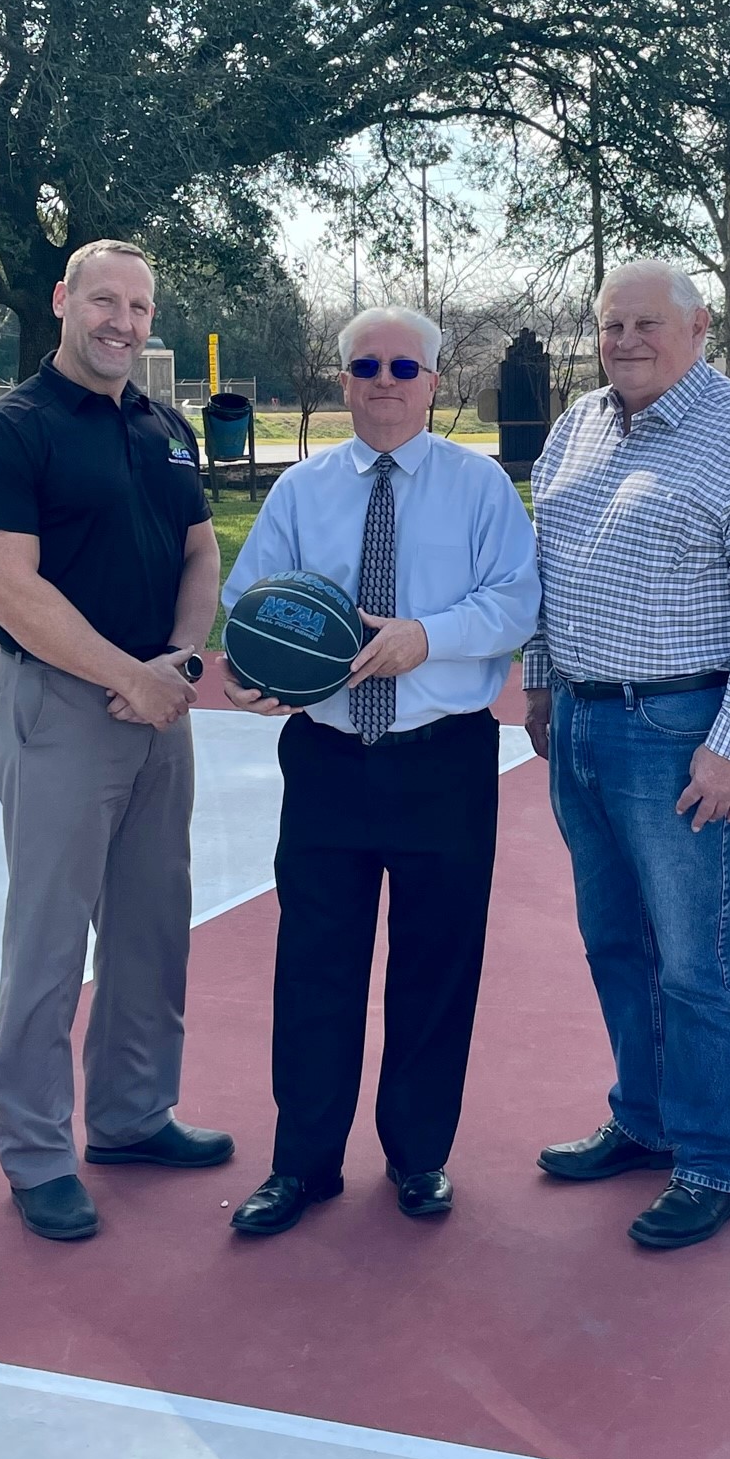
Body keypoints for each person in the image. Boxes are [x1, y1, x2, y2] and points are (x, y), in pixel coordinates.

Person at [223, 306, 540, 1237]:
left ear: (436, 382)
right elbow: (251, 603)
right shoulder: (301, 491)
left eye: (407, 365)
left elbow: (516, 603)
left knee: (437, 966)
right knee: (315, 966)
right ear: (345, 379)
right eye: (367, 364)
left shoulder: (480, 487)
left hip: (441, 760)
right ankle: (303, 1165)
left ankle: (417, 1157)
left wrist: (424, 639)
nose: (387, 380)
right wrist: (251, 671)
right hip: (325, 761)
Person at [0, 240, 231, 1243]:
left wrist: (184, 659)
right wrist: (129, 677)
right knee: (51, 938)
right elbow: (9, 588)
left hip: (161, 699)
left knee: (153, 924)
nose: (124, 322)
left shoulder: (166, 427)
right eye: (104, 300)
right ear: (64, 301)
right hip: (64, 705)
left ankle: (132, 1115)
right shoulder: (5, 434)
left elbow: (201, 547)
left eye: (141, 306)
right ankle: (36, 1154)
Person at [524, 261, 730, 1250]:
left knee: (697, 961)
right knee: (615, 943)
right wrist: (538, 681)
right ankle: (644, 1122)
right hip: (580, 725)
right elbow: (543, 565)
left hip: (677, 734)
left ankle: (714, 1164)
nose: (626, 341)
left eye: (648, 323)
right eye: (612, 324)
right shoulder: (577, 427)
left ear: (698, 330)